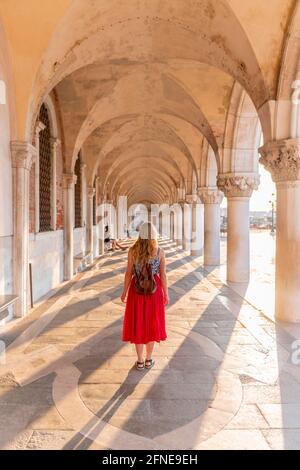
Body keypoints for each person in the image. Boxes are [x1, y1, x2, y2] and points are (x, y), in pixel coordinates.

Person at [121, 221, 168, 370]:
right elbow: (163, 274)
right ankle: (149, 360)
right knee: (152, 324)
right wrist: (166, 293)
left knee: (138, 324)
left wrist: (124, 292)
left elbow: (129, 273)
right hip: (154, 293)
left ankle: (140, 361)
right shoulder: (159, 252)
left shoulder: (132, 251)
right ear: (153, 234)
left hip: (136, 292)